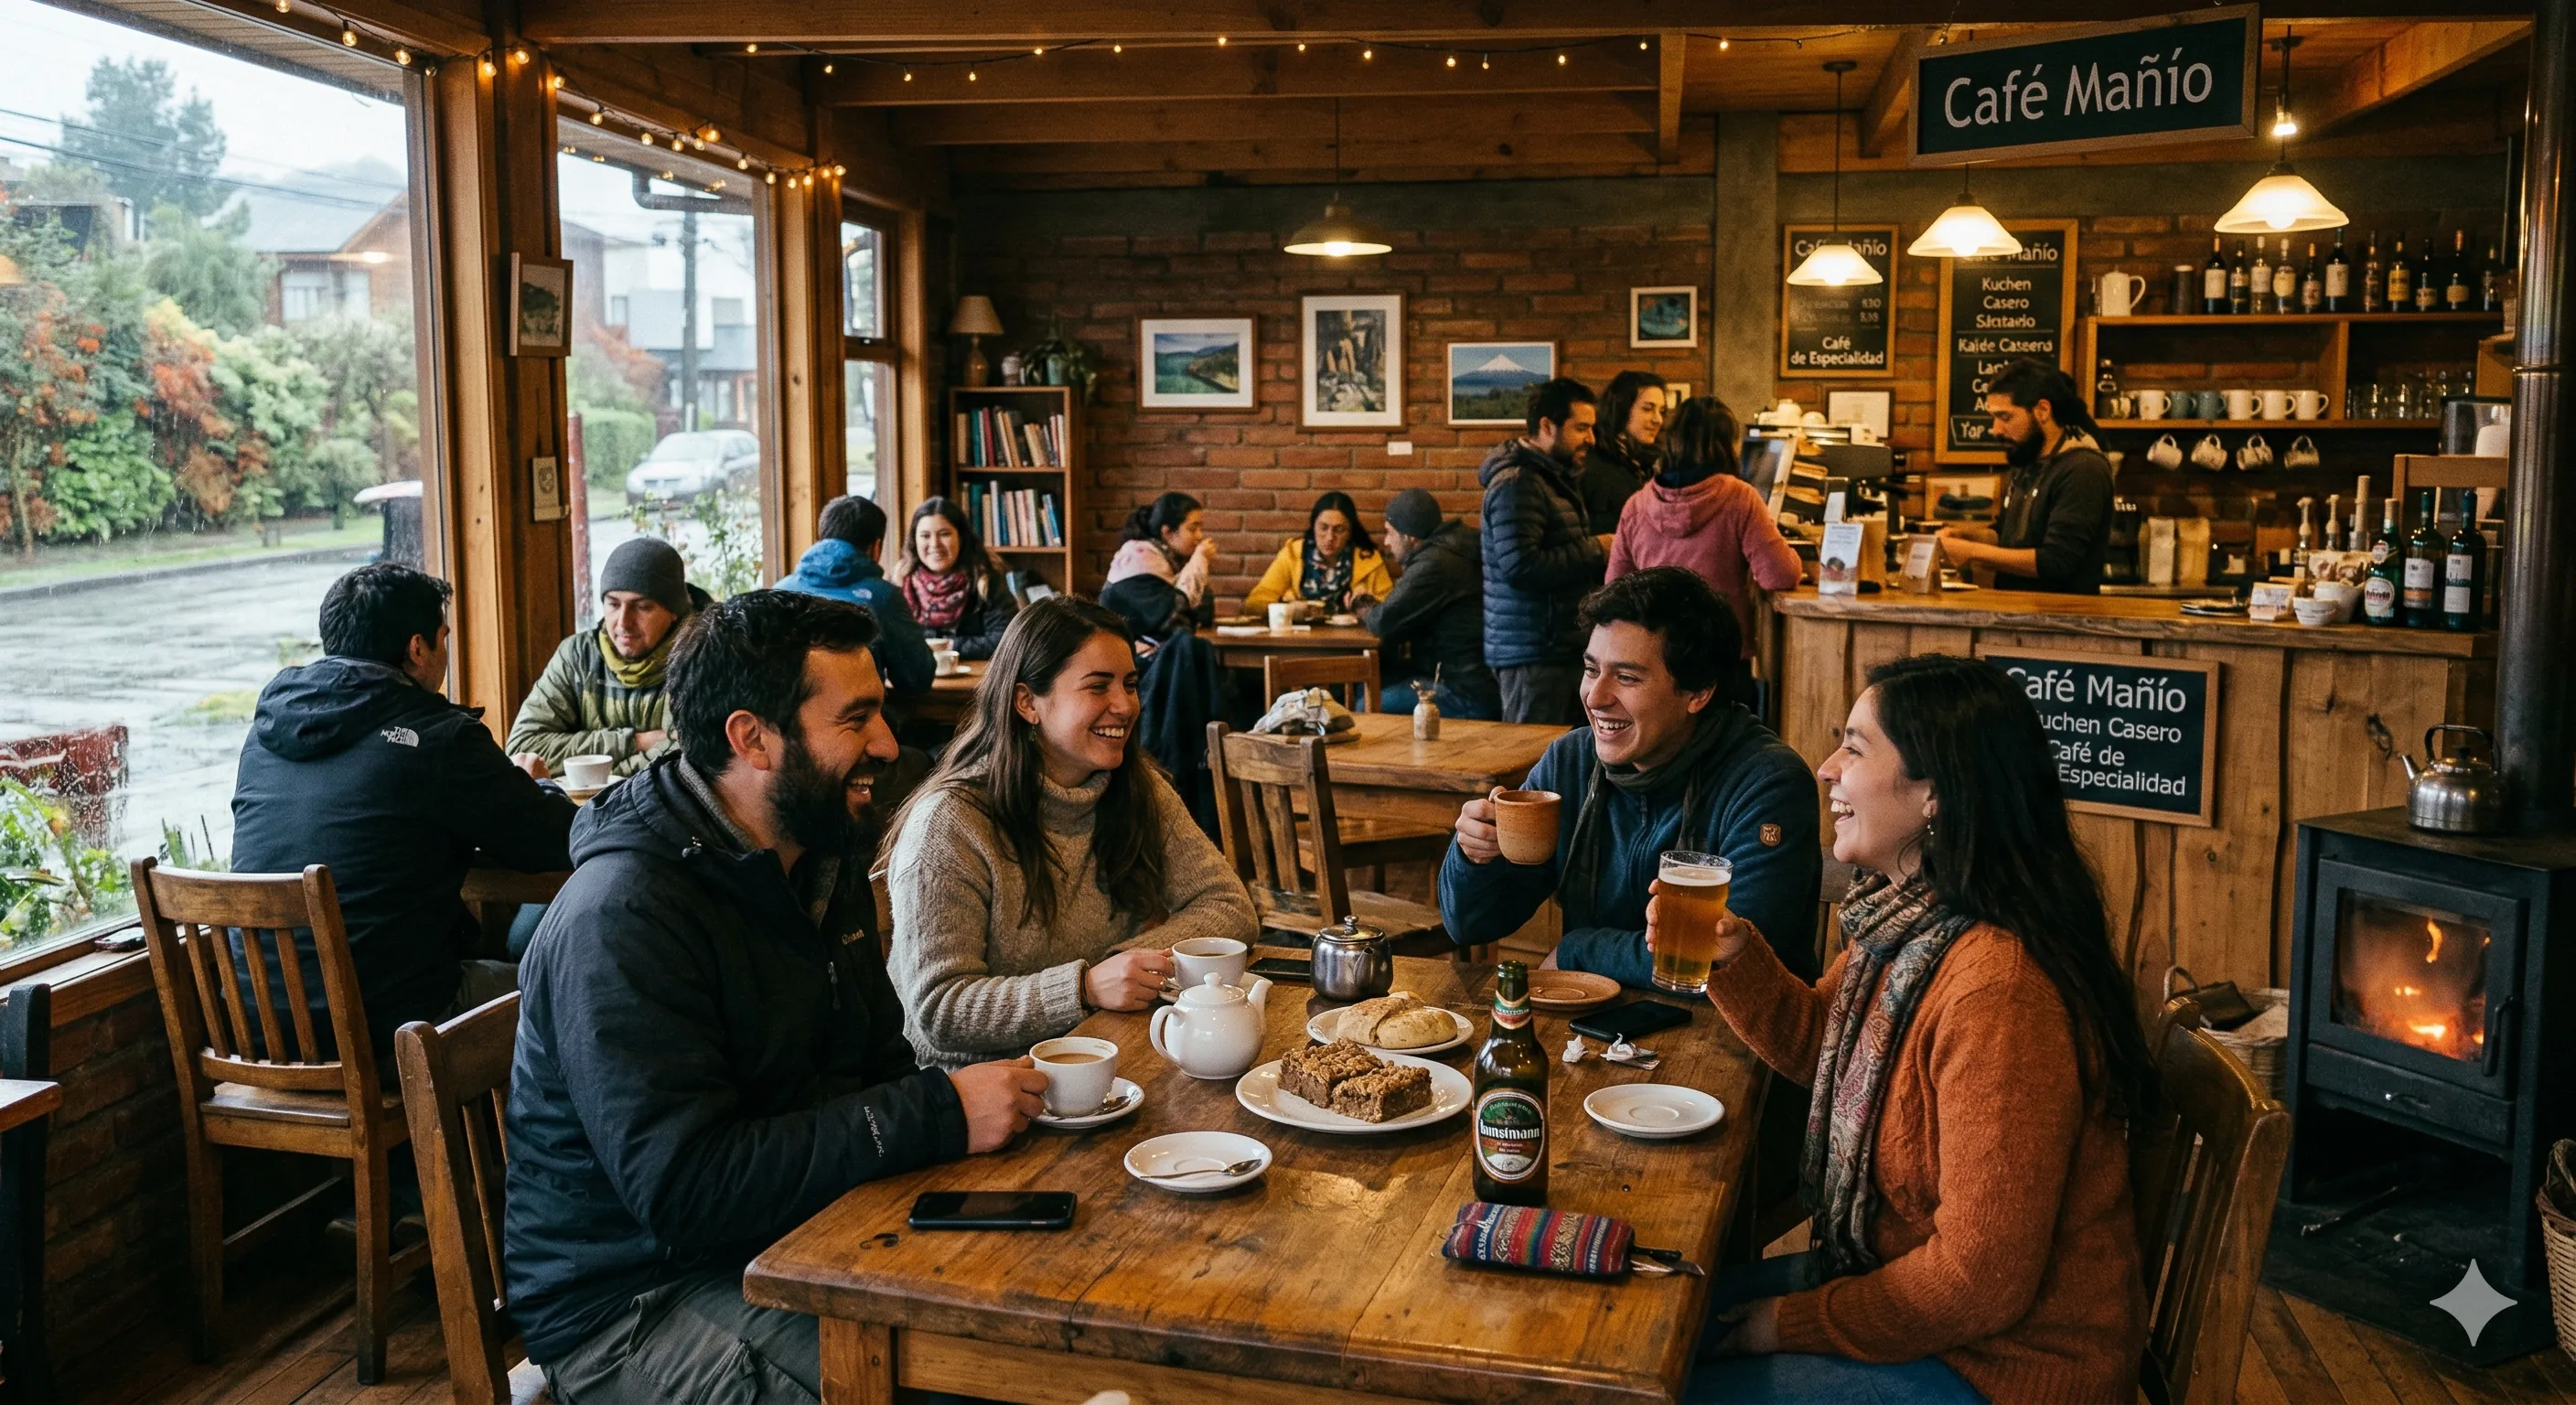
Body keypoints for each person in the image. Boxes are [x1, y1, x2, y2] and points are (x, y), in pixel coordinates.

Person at [503, 590, 1051, 1403]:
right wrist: (937, 1112)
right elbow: (687, 1190)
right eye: (855, 720)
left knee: (1029, 1334)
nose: (887, 744)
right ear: (751, 739)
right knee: (963, 1386)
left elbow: (877, 1065)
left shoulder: (816, 858)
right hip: (634, 1303)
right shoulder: (623, 916)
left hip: (798, 1235)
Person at [1675, 654, 2152, 1403]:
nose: (1827, 769)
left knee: (1665, 1379)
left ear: (1934, 794)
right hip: (1909, 1290)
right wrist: (1736, 960)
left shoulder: (1997, 991)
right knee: (1658, 1316)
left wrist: (1791, 1323)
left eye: (1855, 748)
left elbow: (1979, 1282)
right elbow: (1828, 1049)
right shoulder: (1910, 921)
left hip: (2004, 1367)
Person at [885, 596, 1258, 1070]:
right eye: (1098, 687)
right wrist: (1083, 987)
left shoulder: (1136, 788)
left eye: (1130, 684)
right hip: (980, 1085)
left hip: (1101, 1054)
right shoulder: (950, 822)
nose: (1125, 705)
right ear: (1027, 703)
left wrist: (1125, 963)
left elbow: (1230, 908)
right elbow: (941, 1008)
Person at [230, 563, 573, 1059]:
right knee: (572, 987)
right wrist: (539, 786)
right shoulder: (436, 736)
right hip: (394, 1035)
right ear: (417, 648)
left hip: (262, 1036)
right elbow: (552, 840)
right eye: (444, 638)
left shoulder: (266, 733)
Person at [1439, 568, 1819, 984]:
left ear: (1698, 693)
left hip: (1724, 1025)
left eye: (1626, 677)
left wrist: (1577, 951)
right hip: (1591, 1019)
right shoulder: (1572, 762)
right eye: (1591, 670)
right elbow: (1471, 925)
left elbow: (1725, 961)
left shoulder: (1768, 784)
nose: (1596, 697)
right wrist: (1475, 858)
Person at [1606, 397, 1802, 658]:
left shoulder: (1637, 504)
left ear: (1671, 442)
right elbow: (1780, 575)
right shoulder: (1740, 497)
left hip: (1656, 654)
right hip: (1720, 652)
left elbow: (1615, 589)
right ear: (1728, 444)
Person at [509, 537, 704, 778]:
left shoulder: (700, 656)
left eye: (642, 607)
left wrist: (600, 780)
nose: (623, 622)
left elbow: (689, 759)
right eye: (613, 604)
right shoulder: (577, 657)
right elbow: (523, 750)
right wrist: (634, 741)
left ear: (674, 611)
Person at [1480, 377, 1610, 725]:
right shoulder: (1518, 483)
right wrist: (1597, 548)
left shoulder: (1550, 478)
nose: (1591, 439)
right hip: (1533, 654)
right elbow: (1521, 566)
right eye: (1581, 428)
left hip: (1551, 648)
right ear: (1547, 426)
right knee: (1531, 755)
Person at [1936, 359, 2116, 595]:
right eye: (1994, 417)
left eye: (2005, 417)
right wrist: (1966, 537)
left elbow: (2057, 562)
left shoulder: (2083, 469)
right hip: (2017, 610)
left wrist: (1971, 552)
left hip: (2061, 614)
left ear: (2042, 411)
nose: (1995, 429)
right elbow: (2007, 536)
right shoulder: (2027, 461)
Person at [1351, 488, 1497, 720]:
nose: (1386, 542)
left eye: (1389, 532)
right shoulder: (1454, 547)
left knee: (1363, 704)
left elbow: (1382, 622)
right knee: (1370, 686)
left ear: (1409, 536)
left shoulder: (1435, 563)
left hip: (1463, 693)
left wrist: (1363, 607)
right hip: (1473, 681)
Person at [776, 494, 936, 695]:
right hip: (856, 713)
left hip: (784, 714)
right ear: (876, 547)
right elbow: (916, 679)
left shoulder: (779, 591)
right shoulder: (882, 597)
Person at [891, 496, 1018, 660]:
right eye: (925, 536)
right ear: (914, 541)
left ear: (961, 537)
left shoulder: (986, 580)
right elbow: (891, 641)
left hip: (977, 676)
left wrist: (949, 646)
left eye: (944, 534)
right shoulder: (900, 582)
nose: (935, 544)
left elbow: (1006, 641)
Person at [1240, 490, 1393, 615]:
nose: (1330, 537)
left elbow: (1391, 612)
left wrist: (1366, 603)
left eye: (1339, 530)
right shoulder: (1293, 554)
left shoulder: (1368, 559)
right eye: (1323, 528)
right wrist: (1286, 608)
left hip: (1352, 639)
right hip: (1300, 639)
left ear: (1350, 532)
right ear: (1313, 527)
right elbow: (1253, 604)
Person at [1101, 490, 1218, 643]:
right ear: (1167, 532)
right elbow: (1176, 621)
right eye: (1192, 529)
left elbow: (1203, 613)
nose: (1200, 536)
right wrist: (1199, 560)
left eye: (1200, 529)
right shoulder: (1140, 560)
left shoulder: (1166, 560)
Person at [1578, 370, 1669, 534]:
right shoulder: (1590, 463)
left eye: (1661, 411)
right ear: (1622, 410)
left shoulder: (1654, 466)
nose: (1658, 420)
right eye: (1647, 409)